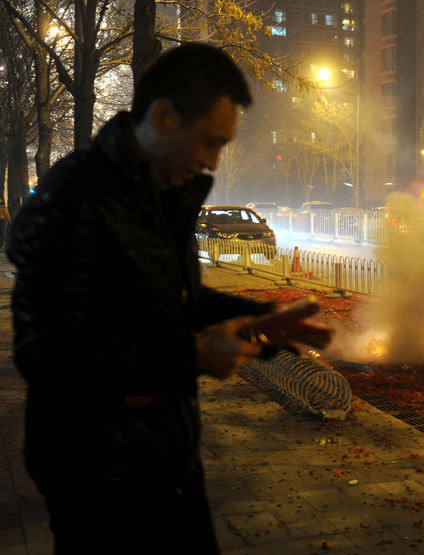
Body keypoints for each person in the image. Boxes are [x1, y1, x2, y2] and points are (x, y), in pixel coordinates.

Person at [6, 43, 295, 553]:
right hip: (96, 476)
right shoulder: (74, 197)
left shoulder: (161, 194)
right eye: (209, 142)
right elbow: (47, 354)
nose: (213, 162)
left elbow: (177, 301)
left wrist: (266, 320)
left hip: (166, 454)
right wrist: (193, 357)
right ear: (163, 116)